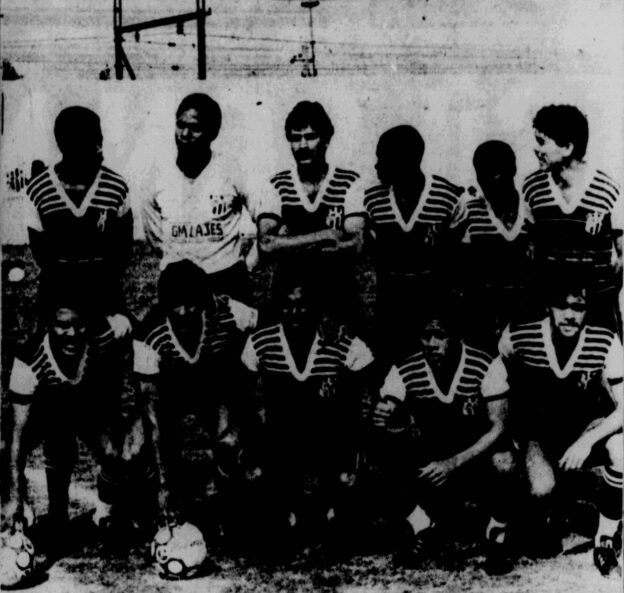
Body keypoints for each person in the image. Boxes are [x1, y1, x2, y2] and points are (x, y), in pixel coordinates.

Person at [3, 283, 156, 556]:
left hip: (87, 406)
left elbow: (143, 331)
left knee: (116, 453)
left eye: (80, 324)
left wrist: (139, 399)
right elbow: (17, 434)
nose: (72, 333)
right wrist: (14, 496)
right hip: (45, 410)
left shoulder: (106, 333)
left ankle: (106, 510)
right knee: (9, 447)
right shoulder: (29, 359)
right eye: (62, 325)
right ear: (48, 325)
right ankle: (35, 511)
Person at [370, 303, 516, 574]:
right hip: (434, 456)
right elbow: (387, 407)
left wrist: (454, 463)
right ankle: (422, 526)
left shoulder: (485, 364)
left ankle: (497, 534)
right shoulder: (405, 369)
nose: (432, 344)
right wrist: (384, 413)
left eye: (440, 335)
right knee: (378, 453)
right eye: (425, 335)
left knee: (504, 461)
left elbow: (499, 427)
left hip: (473, 456)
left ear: (457, 336)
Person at [241, 266, 374, 561]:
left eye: (302, 305)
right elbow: (247, 401)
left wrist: (356, 455)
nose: (295, 313)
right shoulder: (261, 343)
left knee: (345, 492)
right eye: (287, 306)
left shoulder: (339, 341)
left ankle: (329, 516)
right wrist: (254, 452)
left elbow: (365, 398)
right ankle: (286, 518)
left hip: (328, 441)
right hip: (282, 441)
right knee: (259, 487)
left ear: (315, 306)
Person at [499, 281, 623, 576]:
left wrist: (588, 440)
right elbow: (500, 375)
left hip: (584, 432)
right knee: (541, 489)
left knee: (621, 449)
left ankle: (604, 539)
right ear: (548, 307)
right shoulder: (520, 335)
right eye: (561, 306)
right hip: (540, 434)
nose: (569, 315)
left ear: (587, 311)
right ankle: (550, 511)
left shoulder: (605, 340)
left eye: (578, 307)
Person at [133, 260, 259, 536]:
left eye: (191, 304)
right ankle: (148, 506)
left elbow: (271, 327)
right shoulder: (149, 334)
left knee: (230, 440)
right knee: (135, 449)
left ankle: (230, 504)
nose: (183, 312)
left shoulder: (230, 312)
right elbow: (152, 415)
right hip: (168, 394)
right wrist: (164, 485)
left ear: (204, 300)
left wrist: (249, 399)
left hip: (211, 388)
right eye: (175, 305)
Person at [25, 106, 133, 338]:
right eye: (90, 141)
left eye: (99, 138)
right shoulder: (39, 190)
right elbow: (42, 255)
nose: (99, 147)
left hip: (105, 294)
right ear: (64, 145)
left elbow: (123, 249)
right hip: (57, 298)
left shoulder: (116, 187)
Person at [362, 125, 465, 361]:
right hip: (391, 304)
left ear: (406, 162)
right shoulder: (372, 200)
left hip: (434, 302)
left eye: (382, 159)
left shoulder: (447, 197)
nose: (376, 166)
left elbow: (456, 256)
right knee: (390, 365)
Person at [142, 93, 257, 304]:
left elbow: (266, 214)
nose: (185, 134)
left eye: (195, 128)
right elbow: (156, 239)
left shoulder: (231, 169)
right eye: (180, 125)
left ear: (213, 133)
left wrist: (247, 263)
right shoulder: (158, 175)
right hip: (178, 284)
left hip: (225, 278)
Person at [522, 105, 622, 330]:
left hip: (597, 314)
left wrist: (601, 294)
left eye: (541, 141)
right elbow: (529, 251)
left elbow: (622, 257)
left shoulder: (608, 189)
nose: (535, 149)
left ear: (567, 148)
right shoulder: (532, 188)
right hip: (551, 314)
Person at [460, 140, 532, 353]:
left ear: (512, 170)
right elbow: (463, 273)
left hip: (526, 317)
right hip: (483, 321)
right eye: (481, 175)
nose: (488, 181)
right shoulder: (470, 213)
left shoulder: (532, 211)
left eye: (495, 173)